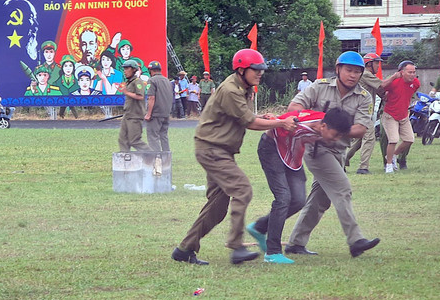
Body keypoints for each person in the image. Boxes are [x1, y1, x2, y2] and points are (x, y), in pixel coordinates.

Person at [171, 49, 297, 266]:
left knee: (218, 208)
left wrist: (262, 117)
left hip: (220, 150)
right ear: (241, 70)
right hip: (212, 150)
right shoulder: (231, 89)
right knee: (242, 190)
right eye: (255, 70)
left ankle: (184, 249)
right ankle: (236, 246)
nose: (260, 74)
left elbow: (245, 118)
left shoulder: (243, 88)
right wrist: (279, 123)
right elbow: (250, 123)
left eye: (261, 70)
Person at [284, 51, 380, 258]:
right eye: (348, 70)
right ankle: (355, 240)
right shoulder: (320, 86)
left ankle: (295, 243)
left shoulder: (363, 97)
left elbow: (361, 128)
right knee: (342, 188)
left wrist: (334, 131)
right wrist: (314, 122)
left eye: (357, 72)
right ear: (338, 69)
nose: (352, 75)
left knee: (321, 199)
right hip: (316, 148)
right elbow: (295, 106)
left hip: (339, 151)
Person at [246, 108, 353, 264]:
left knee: (298, 200)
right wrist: (276, 121)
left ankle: (259, 227)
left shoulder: (324, 123)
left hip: (292, 155)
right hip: (271, 149)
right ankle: (273, 252)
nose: (336, 139)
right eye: (335, 135)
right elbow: (278, 122)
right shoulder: (298, 124)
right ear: (324, 127)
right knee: (283, 198)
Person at [344, 53, 387, 174]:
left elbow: (379, 91)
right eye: (376, 63)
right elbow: (383, 85)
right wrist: (396, 78)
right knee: (369, 137)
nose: (378, 66)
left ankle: (343, 160)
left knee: (359, 138)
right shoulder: (366, 74)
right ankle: (363, 167)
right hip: (360, 112)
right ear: (369, 64)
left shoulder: (369, 77)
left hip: (359, 111)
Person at [381, 60, 420, 173]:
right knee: (393, 140)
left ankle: (394, 155)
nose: (412, 75)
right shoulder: (394, 81)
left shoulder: (416, 83)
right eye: (409, 72)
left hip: (404, 115)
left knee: (409, 139)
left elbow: (409, 92)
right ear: (402, 72)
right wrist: (393, 77)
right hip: (390, 115)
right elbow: (382, 86)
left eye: (414, 72)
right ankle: (388, 165)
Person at [117, 60, 150, 152]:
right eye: (124, 68)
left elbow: (140, 96)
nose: (125, 71)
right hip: (127, 114)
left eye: (127, 68)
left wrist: (126, 92)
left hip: (135, 115)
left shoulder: (137, 82)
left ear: (134, 70)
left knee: (134, 141)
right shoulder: (129, 82)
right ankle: (125, 160)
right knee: (122, 139)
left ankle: (153, 156)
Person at [144, 61, 173, 152]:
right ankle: (166, 158)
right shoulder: (167, 80)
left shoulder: (152, 80)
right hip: (166, 113)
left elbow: (151, 98)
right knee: (163, 136)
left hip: (155, 114)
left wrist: (148, 114)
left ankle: (156, 158)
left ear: (150, 70)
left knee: (153, 137)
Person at [56, 54, 79, 118]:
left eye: (70, 66)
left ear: (73, 68)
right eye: (65, 66)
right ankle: (61, 116)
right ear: (62, 68)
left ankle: (76, 117)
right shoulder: (58, 82)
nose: (68, 68)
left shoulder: (78, 82)